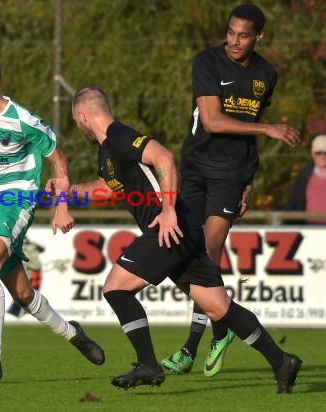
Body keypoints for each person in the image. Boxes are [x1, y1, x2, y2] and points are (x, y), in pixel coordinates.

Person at [54, 86, 301, 394]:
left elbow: (165, 158)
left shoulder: (119, 136)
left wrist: (169, 210)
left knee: (115, 289)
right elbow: (106, 189)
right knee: (218, 307)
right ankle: (282, 361)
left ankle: (148, 364)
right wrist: (68, 189)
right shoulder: (106, 151)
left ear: (83, 116)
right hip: (180, 229)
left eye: (77, 122)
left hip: (168, 227)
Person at [161, 4, 301, 377]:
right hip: (194, 170)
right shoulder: (207, 61)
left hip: (231, 175)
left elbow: (249, 129)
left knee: (207, 253)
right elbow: (211, 120)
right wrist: (269, 129)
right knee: (188, 255)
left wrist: (249, 183)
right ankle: (220, 329)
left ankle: (192, 346)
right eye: (230, 32)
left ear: (259, 37)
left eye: (243, 35)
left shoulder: (265, 73)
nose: (234, 41)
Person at [0, 55, 105, 380]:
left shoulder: (24, 121)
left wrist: (62, 206)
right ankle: (72, 333)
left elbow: (59, 161)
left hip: (16, 199)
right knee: (21, 293)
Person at [284, 134, 326, 224]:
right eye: (318, 153)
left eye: (325, 152)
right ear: (312, 154)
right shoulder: (304, 176)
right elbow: (293, 204)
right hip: (309, 233)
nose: (322, 156)